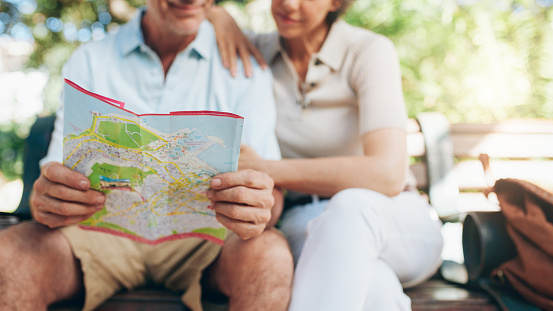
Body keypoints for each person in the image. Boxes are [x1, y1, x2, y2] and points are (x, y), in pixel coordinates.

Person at [0, 0, 294, 310]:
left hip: (207, 241)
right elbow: (48, 186)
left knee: (269, 255)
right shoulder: (90, 59)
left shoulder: (246, 67)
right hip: (97, 233)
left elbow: (269, 196)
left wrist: (258, 208)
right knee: (11, 253)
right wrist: (48, 199)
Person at [209, 0, 444, 310]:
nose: (288, 4)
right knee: (375, 288)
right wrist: (216, 14)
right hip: (304, 222)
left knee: (350, 208)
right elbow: (180, 11)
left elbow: (387, 174)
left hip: (393, 217)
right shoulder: (254, 53)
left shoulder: (367, 50)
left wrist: (268, 168)